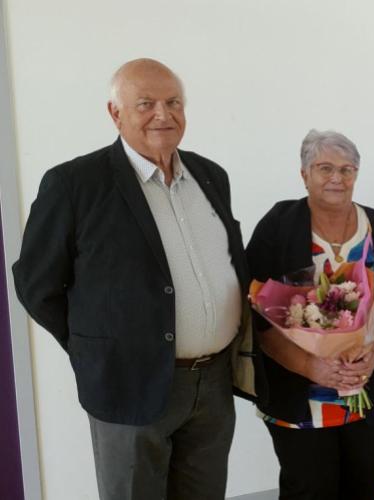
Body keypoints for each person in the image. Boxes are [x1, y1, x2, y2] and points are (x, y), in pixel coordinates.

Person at [12, 58, 250, 499]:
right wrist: (97, 348)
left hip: (213, 382)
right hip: (127, 383)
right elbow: (35, 283)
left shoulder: (211, 175)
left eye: (173, 102)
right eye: (145, 103)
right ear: (115, 113)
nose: (163, 114)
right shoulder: (74, 184)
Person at [245, 130, 374, 499]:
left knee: (362, 490)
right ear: (304, 174)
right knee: (309, 491)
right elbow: (256, 310)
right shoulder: (279, 224)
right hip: (299, 395)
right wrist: (312, 367)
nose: (337, 178)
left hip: (369, 391)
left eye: (347, 169)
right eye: (325, 168)